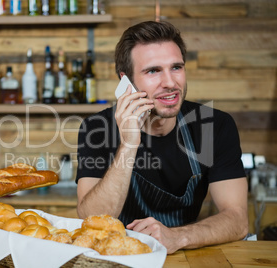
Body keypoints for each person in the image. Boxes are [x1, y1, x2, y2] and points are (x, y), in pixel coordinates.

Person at [75, 21, 248, 254]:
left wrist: (178, 237)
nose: (170, 83)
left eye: (176, 67)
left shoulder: (214, 125)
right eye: (153, 71)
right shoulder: (96, 128)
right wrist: (128, 143)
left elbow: (238, 220)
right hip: (119, 258)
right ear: (126, 80)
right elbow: (92, 219)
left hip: (185, 253)